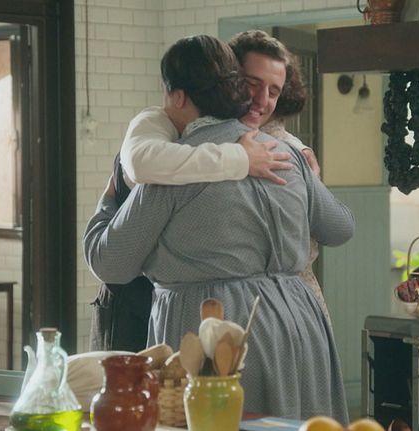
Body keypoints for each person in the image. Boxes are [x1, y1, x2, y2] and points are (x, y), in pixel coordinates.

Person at [84, 34, 353, 421]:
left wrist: (108, 201)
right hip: (301, 325)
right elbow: (340, 227)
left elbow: (111, 263)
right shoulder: (286, 153)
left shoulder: (174, 169)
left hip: (215, 332)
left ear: (178, 96)